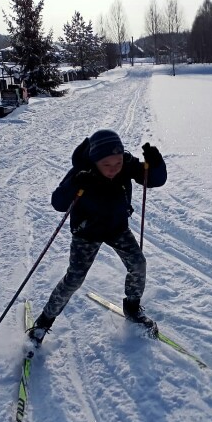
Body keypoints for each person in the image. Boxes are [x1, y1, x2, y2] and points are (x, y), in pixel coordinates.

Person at [28, 129, 167, 344]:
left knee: (138, 264)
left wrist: (155, 164)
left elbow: (153, 180)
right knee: (74, 278)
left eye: (118, 164)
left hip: (116, 227)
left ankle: (132, 309)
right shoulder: (82, 171)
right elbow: (58, 203)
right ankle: (42, 324)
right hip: (87, 233)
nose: (113, 170)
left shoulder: (126, 164)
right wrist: (75, 182)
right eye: (107, 165)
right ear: (94, 160)